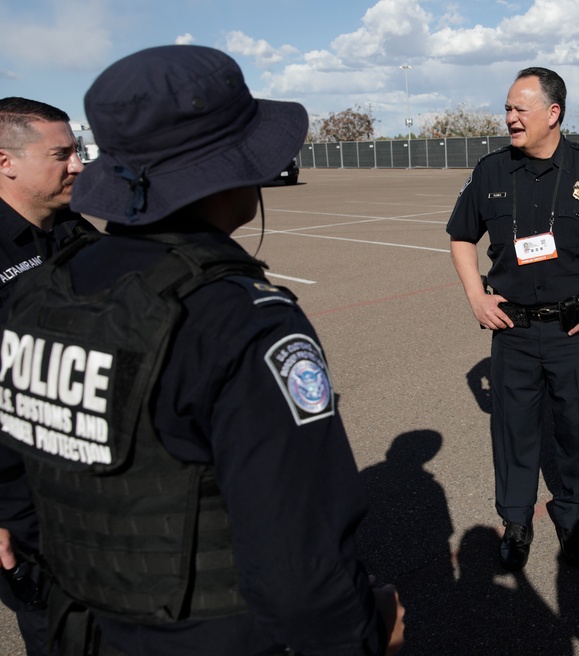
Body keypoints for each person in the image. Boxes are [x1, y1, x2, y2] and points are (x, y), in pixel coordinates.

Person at [0, 45, 404, 654]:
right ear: (227, 171)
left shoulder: (48, 288)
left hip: (76, 623)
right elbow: (298, 550)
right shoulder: (242, 319)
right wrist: (365, 639)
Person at [446, 67, 579, 569]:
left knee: (576, 429)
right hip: (512, 329)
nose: (510, 118)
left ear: (553, 113)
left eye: (521, 109)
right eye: (508, 109)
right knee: (513, 430)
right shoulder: (489, 171)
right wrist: (477, 297)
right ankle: (516, 522)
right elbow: (459, 237)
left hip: (576, 329)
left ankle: (574, 515)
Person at [0, 96, 96, 656]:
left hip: (96, 489)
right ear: (6, 161)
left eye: (76, 151)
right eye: (61, 154)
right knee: (63, 634)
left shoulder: (73, 228)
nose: (77, 164)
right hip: (24, 509)